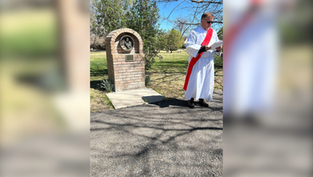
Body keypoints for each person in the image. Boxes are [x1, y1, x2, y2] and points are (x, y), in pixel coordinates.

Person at [184, 12, 222, 108]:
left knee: (206, 80)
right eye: (208, 22)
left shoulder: (213, 32)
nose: (210, 24)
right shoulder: (194, 32)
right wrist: (203, 48)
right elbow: (189, 46)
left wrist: (219, 48)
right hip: (198, 60)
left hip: (209, 60)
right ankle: (191, 99)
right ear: (202, 21)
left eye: (211, 22)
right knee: (195, 80)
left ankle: (202, 99)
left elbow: (216, 43)